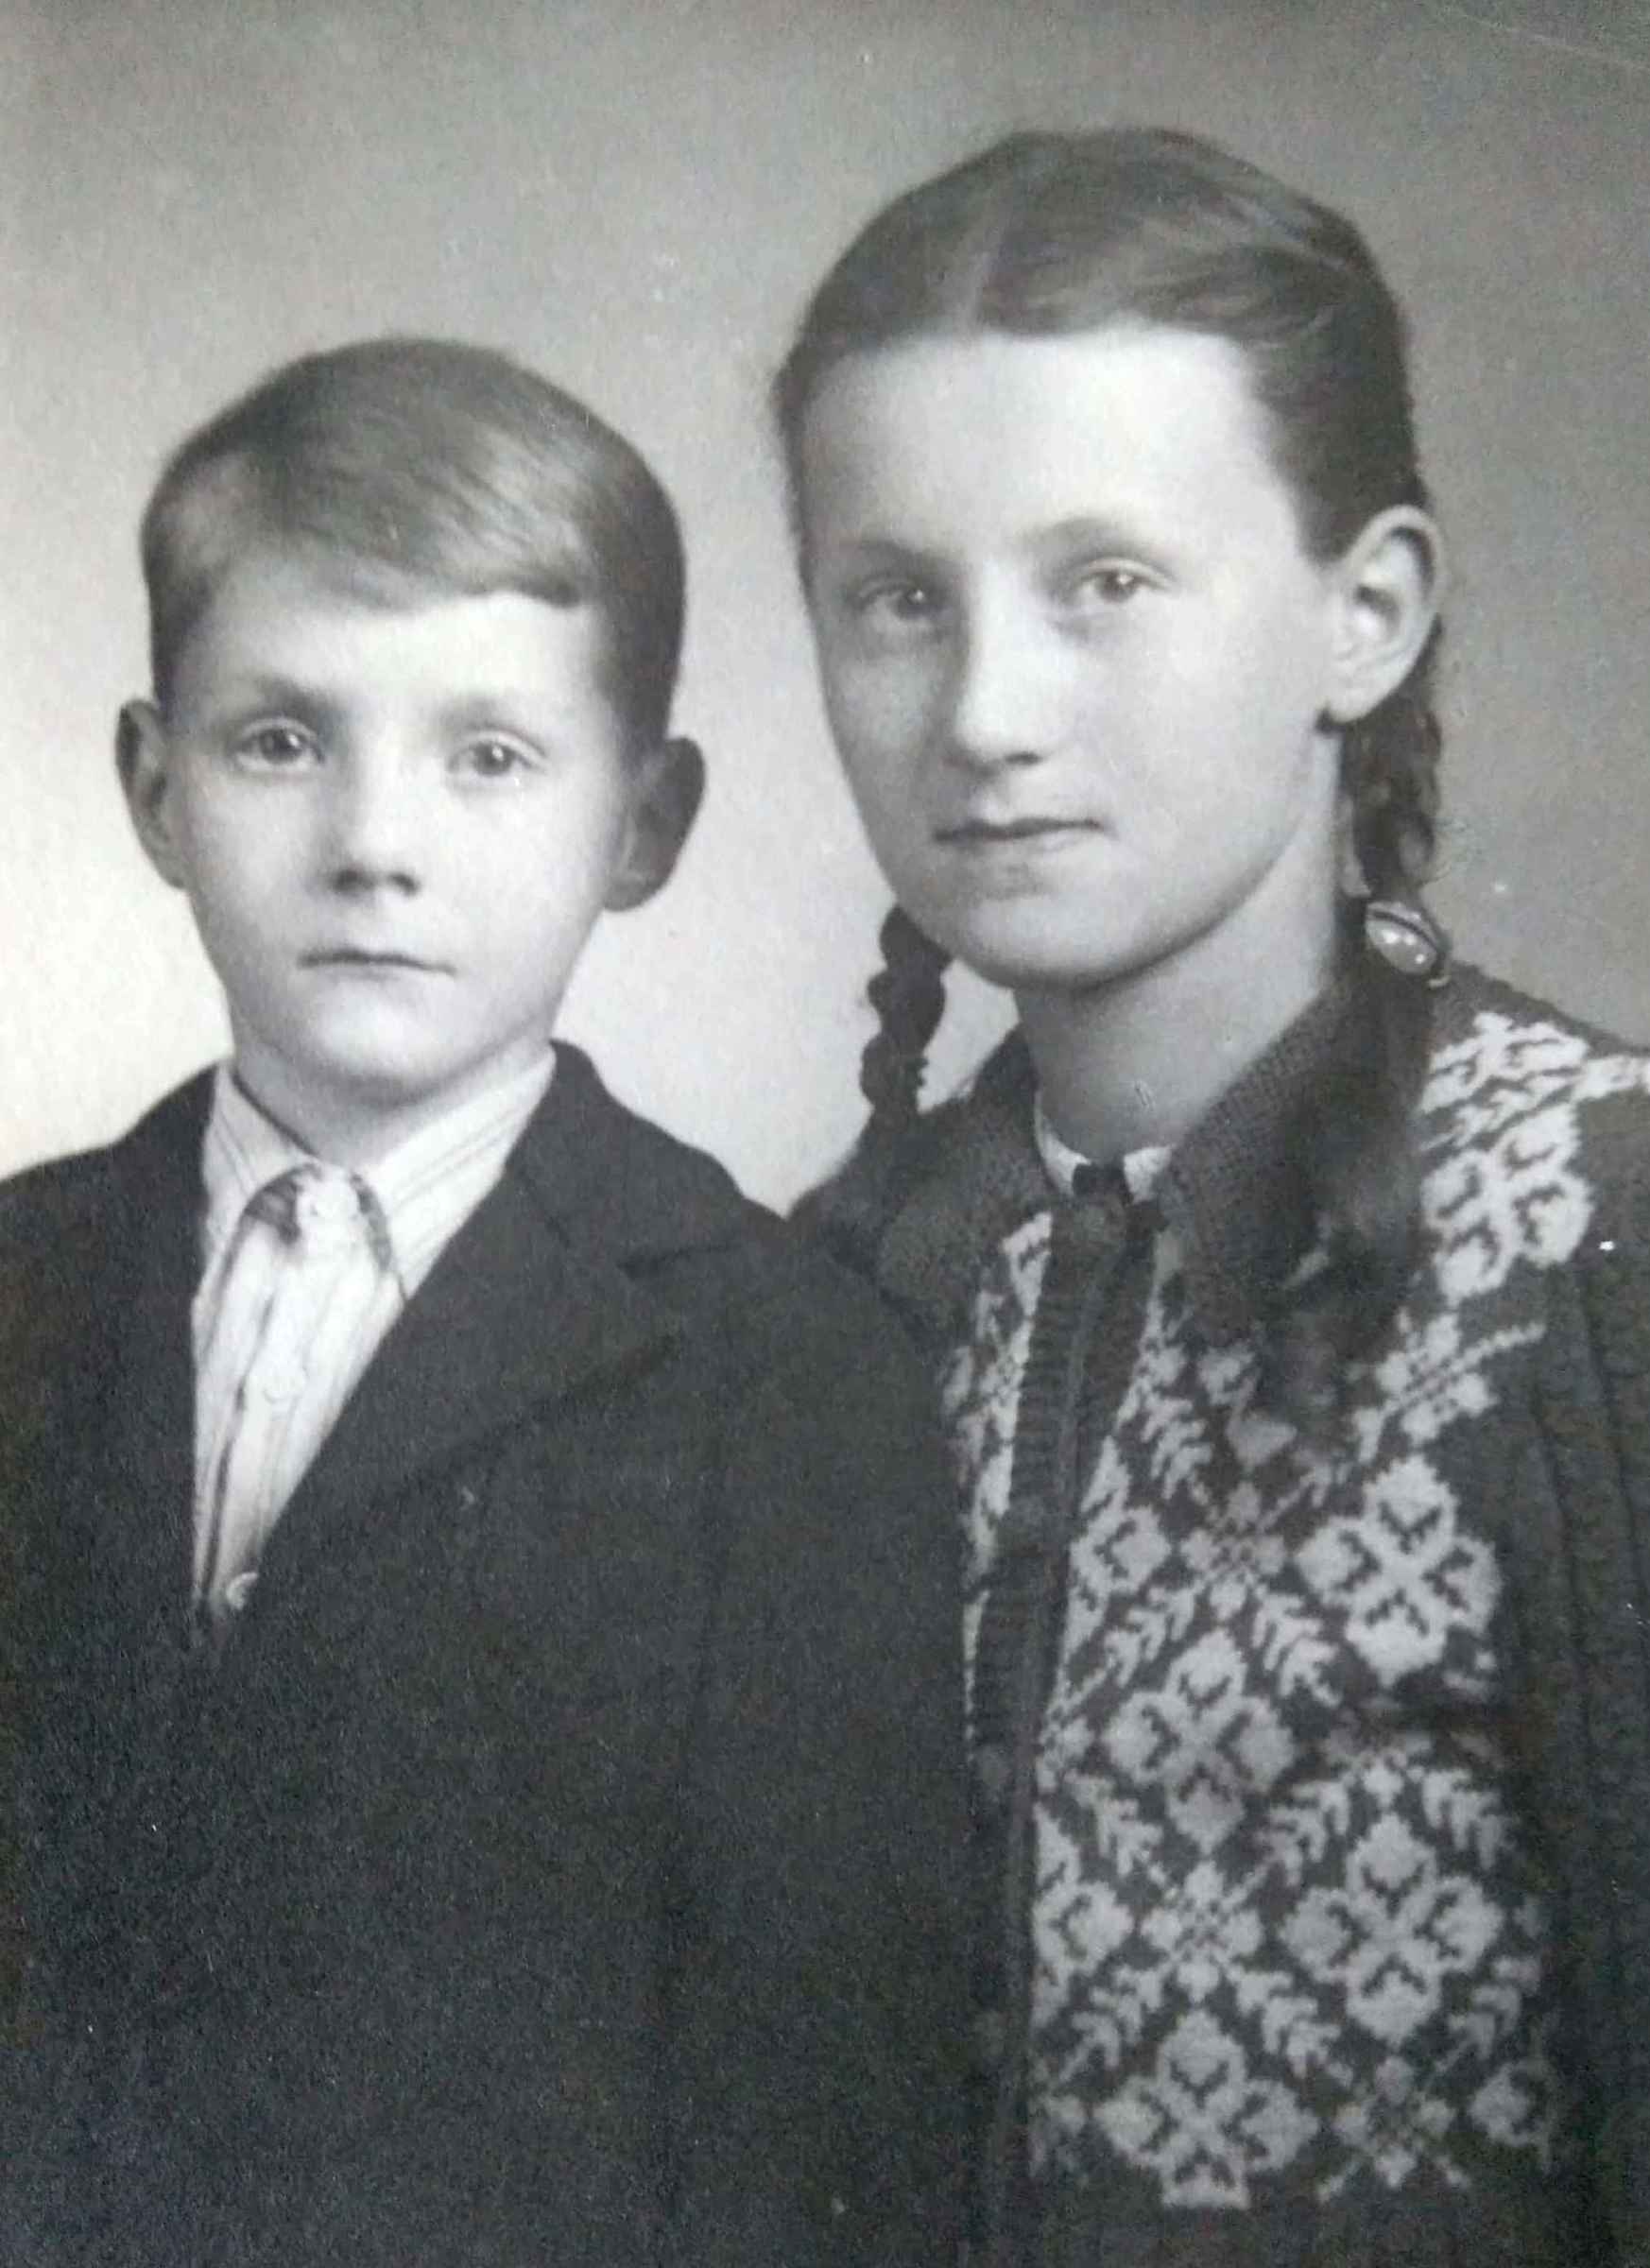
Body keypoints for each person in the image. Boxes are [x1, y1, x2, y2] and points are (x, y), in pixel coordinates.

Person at [772, 129, 1650, 2266]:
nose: (986, 714)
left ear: (1362, 616)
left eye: (1104, 582)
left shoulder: (1615, 1229)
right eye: (899, 601)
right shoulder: (840, 1285)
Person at [0, 336, 968, 2266]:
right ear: (153, 788)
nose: (376, 845)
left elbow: (816, 2141)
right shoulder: (22, 1287)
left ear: (643, 824)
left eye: (490, 758)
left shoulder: (784, 1373)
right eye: (281, 741)